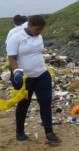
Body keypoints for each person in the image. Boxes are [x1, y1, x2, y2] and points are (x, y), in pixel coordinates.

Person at [6, 15, 61, 143]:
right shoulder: (16, 37)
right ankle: (19, 131)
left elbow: (37, 52)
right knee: (24, 104)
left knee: (45, 103)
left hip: (42, 74)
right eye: (37, 29)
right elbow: (12, 58)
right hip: (25, 77)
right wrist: (16, 71)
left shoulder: (39, 36)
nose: (39, 32)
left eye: (41, 29)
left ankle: (49, 133)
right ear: (30, 25)